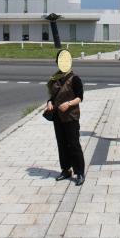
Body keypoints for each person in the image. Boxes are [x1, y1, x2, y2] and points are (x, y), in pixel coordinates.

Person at [46, 50, 85, 186]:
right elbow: (52, 97)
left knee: (74, 144)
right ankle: (66, 170)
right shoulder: (55, 78)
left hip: (71, 116)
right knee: (61, 144)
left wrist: (68, 104)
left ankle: (79, 172)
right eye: (60, 61)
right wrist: (49, 103)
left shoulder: (75, 79)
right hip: (58, 117)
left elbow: (80, 97)